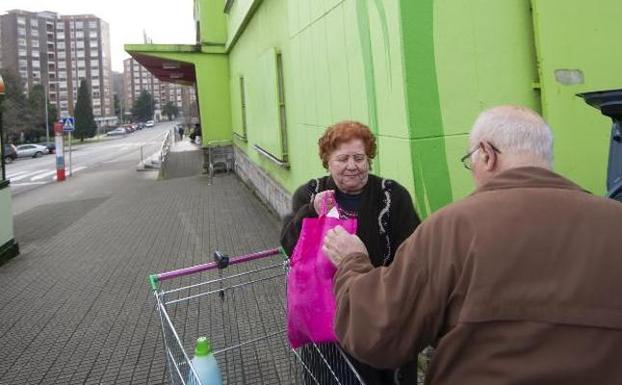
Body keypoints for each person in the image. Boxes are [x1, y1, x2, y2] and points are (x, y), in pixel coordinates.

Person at [323, 105, 622, 385]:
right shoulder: (614, 220)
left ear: (487, 154)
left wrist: (353, 263)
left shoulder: (450, 227)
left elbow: (378, 331)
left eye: (471, 162)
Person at [281, 120, 421, 384]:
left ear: (368, 159)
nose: (352, 166)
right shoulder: (310, 194)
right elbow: (290, 246)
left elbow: (415, 253)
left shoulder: (392, 196)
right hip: (325, 319)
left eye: (359, 157)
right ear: (327, 162)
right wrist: (311, 211)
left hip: (379, 316)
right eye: (342, 158)